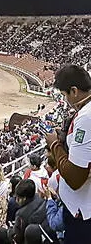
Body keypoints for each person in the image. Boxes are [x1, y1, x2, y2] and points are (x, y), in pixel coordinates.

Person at [45, 64, 91, 243]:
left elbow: (75, 178)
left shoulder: (86, 118)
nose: (66, 100)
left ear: (74, 91)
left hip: (82, 214)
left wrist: (55, 144)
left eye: (65, 95)